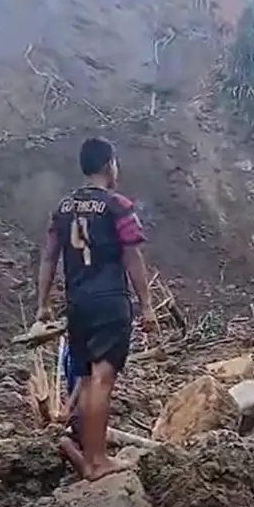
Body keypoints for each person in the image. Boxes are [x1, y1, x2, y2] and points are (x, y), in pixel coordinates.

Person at [36, 136, 157, 482]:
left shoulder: (62, 208)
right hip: (110, 303)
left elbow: (48, 257)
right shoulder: (119, 206)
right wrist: (147, 306)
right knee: (103, 380)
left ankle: (89, 458)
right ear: (108, 165)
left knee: (87, 380)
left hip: (78, 305)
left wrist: (43, 305)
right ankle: (98, 460)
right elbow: (133, 257)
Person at [57, 341, 89, 478]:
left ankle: (90, 472)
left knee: (65, 442)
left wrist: (68, 407)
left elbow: (85, 377)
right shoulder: (68, 348)